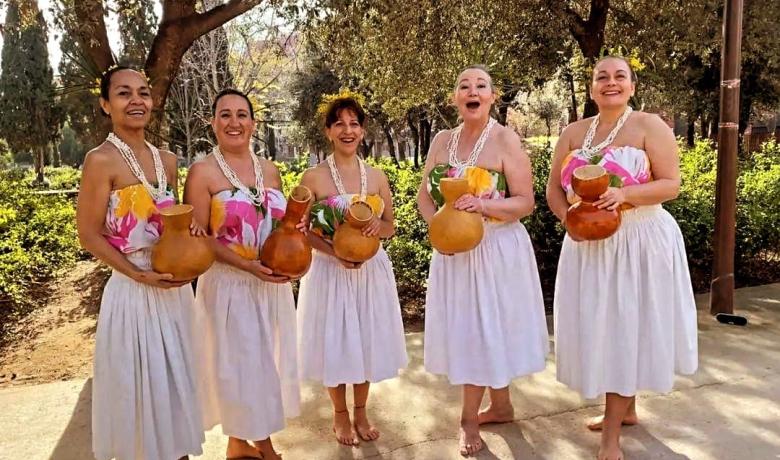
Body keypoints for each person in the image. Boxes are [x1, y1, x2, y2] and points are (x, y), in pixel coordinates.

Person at [546, 56, 698, 460]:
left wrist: (625, 194)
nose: (610, 82)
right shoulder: (573, 133)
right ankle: (625, 409)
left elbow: (671, 185)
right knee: (604, 325)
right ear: (592, 87)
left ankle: (610, 436)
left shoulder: (650, 125)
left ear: (631, 86)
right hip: (587, 244)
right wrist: (569, 221)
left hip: (639, 240)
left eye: (619, 76)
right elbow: (553, 190)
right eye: (602, 77)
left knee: (623, 325)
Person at [417, 65, 550, 456]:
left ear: (492, 96)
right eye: (464, 85)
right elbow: (424, 196)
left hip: (496, 248)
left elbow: (525, 202)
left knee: (485, 328)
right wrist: (440, 230)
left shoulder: (505, 139)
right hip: (453, 252)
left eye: (481, 85)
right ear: (455, 98)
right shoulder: (442, 140)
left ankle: (469, 419)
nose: (472, 91)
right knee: (471, 327)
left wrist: (484, 206)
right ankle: (502, 406)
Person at [77, 66, 205, 460]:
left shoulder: (168, 160)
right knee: (143, 399)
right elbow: (89, 234)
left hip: (174, 292)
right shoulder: (100, 161)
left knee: (175, 394)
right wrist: (137, 273)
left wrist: (190, 231)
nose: (136, 100)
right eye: (123, 93)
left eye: (143, 92)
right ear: (106, 104)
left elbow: (171, 223)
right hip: (133, 291)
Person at [184, 89, 301, 460]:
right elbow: (197, 238)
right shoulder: (202, 172)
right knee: (242, 366)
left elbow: (281, 225)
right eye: (225, 115)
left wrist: (294, 243)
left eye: (241, 115)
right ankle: (264, 446)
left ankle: (238, 443)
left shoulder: (271, 170)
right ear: (213, 123)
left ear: (253, 122)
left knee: (265, 364)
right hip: (229, 284)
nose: (234, 122)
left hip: (270, 284)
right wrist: (246, 265)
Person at [297, 95, 408, 446]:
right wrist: (334, 252)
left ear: (362, 131)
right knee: (336, 342)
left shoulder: (376, 177)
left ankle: (361, 411)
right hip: (329, 272)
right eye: (339, 124)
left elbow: (390, 226)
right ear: (328, 131)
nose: (348, 130)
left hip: (370, 272)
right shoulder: (313, 177)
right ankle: (339, 414)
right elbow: (300, 231)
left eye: (354, 124)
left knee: (365, 341)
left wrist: (377, 225)